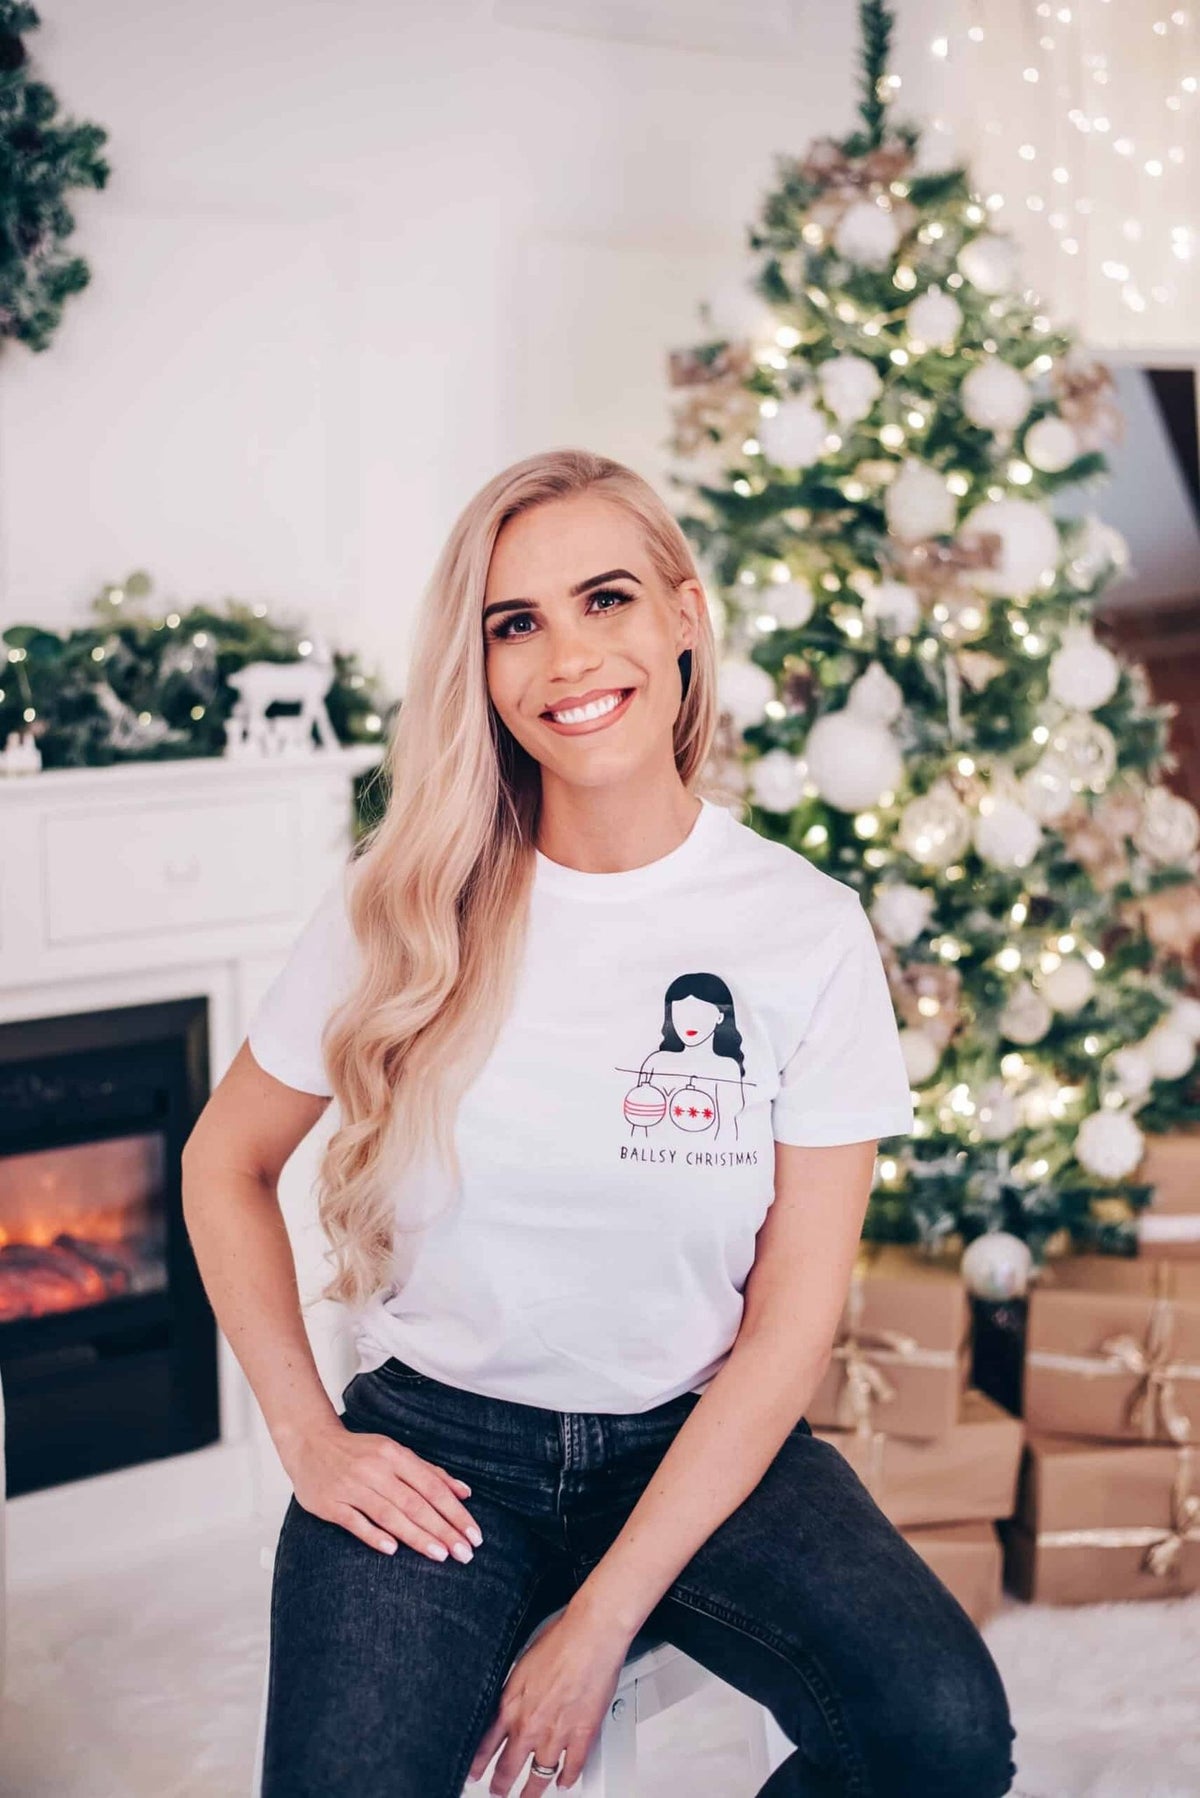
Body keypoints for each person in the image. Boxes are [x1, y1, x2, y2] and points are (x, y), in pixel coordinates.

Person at [181, 448, 1018, 1798]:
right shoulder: (402, 904)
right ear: (485, 664)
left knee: (944, 1732)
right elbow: (224, 1159)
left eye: (608, 598)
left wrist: (603, 1614)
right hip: (441, 1449)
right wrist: (305, 1431)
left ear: (686, 613)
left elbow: (794, 1322)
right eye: (517, 622)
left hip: (696, 1438)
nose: (567, 655)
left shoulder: (803, 930)